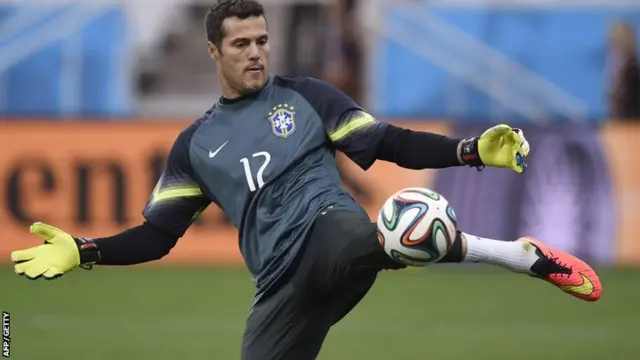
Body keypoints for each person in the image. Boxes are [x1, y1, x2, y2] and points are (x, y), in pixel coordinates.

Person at [10, 1, 602, 359]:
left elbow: (391, 142)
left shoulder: (306, 97)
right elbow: (157, 236)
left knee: (404, 223)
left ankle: (520, 257)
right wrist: (84, 250)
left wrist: (470, 151)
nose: (255, 54)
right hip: (280, 287)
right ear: (212, 51)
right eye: (240, 44)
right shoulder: (194, 146)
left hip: (330, 233)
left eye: (262, 41)